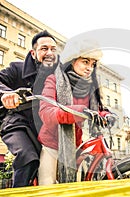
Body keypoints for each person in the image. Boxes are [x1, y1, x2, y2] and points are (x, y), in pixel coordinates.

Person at [0, 30, 59, 187]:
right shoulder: (18, 69)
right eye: (44, 48)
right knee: (27, 157)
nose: (49, 53)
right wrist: (5, 94)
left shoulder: (60, 77)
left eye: (53, 49)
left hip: (46, 129)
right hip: (17, 124)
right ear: (33, 53)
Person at [37, 39, 114, 185]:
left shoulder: (90, 88)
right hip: (51, 145)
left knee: (76, 189)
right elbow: (46, 112)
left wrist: (106, 116)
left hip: (75, 147)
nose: (89, 68)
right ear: (72, 61)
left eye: (92, 64)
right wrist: (79, 112)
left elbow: (96, 111)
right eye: (85, 62)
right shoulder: (53, 80)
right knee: (47, 189)